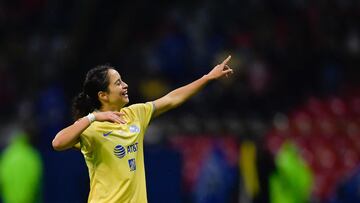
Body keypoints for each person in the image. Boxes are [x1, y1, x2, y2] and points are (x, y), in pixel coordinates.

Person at [52, 55, 234, 203]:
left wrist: (207, 78)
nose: (125, 85)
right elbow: (57, 143)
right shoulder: (91, 128)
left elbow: (171, 99)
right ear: (103, 95)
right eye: (117, 83)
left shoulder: (135, 114)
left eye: (122, 81)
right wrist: (92, 117)